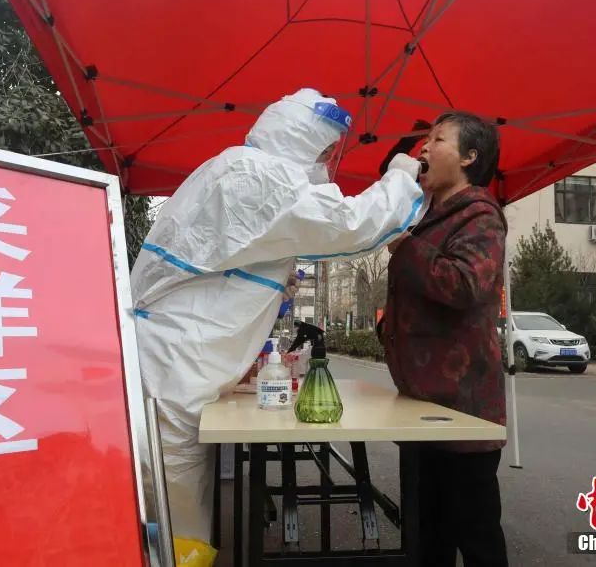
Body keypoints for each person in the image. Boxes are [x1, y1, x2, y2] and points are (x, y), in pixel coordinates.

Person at [130, 88, 426, 547]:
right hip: (174, 367)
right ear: (304, 141)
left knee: (172, 499)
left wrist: (268, 282)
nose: (328, 163)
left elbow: (225, 257)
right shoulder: (261, 176)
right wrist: (401, 177)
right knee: (167, 510)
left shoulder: (236, 166)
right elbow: (350, 224)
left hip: (175, 361)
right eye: (326, 152)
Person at [378, 111, 508, 566]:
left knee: (476, 537)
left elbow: (465, 285)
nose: (424, 148)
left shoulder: (480, 215)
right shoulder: (428, 216)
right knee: (425, 536)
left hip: (462, 412)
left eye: (438, 139)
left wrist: (405, 246)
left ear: (469, 156)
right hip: (421, 407)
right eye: (425, 140)